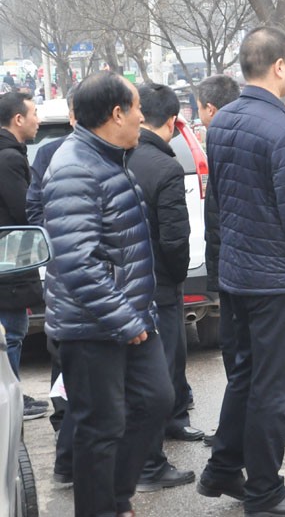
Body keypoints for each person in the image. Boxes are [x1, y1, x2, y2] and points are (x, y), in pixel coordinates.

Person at [198, 27, 285, 517]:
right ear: (278, 67)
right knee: (274, 389)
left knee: (246, 378)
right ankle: (266, 490)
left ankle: (222, 469)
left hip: (238, 274)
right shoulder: (282, 129)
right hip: (277, 279)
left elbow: (220, 203)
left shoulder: (223, 121)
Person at [41, 71, 174, 517]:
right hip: (92, 325)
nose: (141, 117)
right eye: (136, 108)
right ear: (117, 113)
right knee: (101, 428)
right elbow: (78, 263)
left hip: (129, 316)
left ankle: (116, 498)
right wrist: (124, 319)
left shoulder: (110, 157)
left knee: (156, 401)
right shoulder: (74, 168)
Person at [126, 83, 202, 493]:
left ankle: (173, 423)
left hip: (130, 281)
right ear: (172, 121)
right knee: (161, 369)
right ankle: (150, 464)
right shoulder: (165, 167)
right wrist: (177, 275)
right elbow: (175, 239)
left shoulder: (121, 156)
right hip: (160, 283)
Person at [25, 91, 74, 483]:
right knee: (66, 362)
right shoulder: (49, 154)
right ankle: (65, 438)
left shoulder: (125, 152)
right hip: (65, 276)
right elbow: (34, 209)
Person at [0, 90, 48, 421]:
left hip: (10, 263)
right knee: (13, 333)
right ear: (18, 119)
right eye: (34, 114)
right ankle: (11, 397)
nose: (38, 120)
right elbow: (24, 210)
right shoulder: (9, 158)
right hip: (10, 264)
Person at [195, 75, 241, 377]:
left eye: (199, 108)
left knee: (237, 345)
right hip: (237, 264)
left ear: (210, 108)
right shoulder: (230, 136)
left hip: (236, 266)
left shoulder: (223, 140)